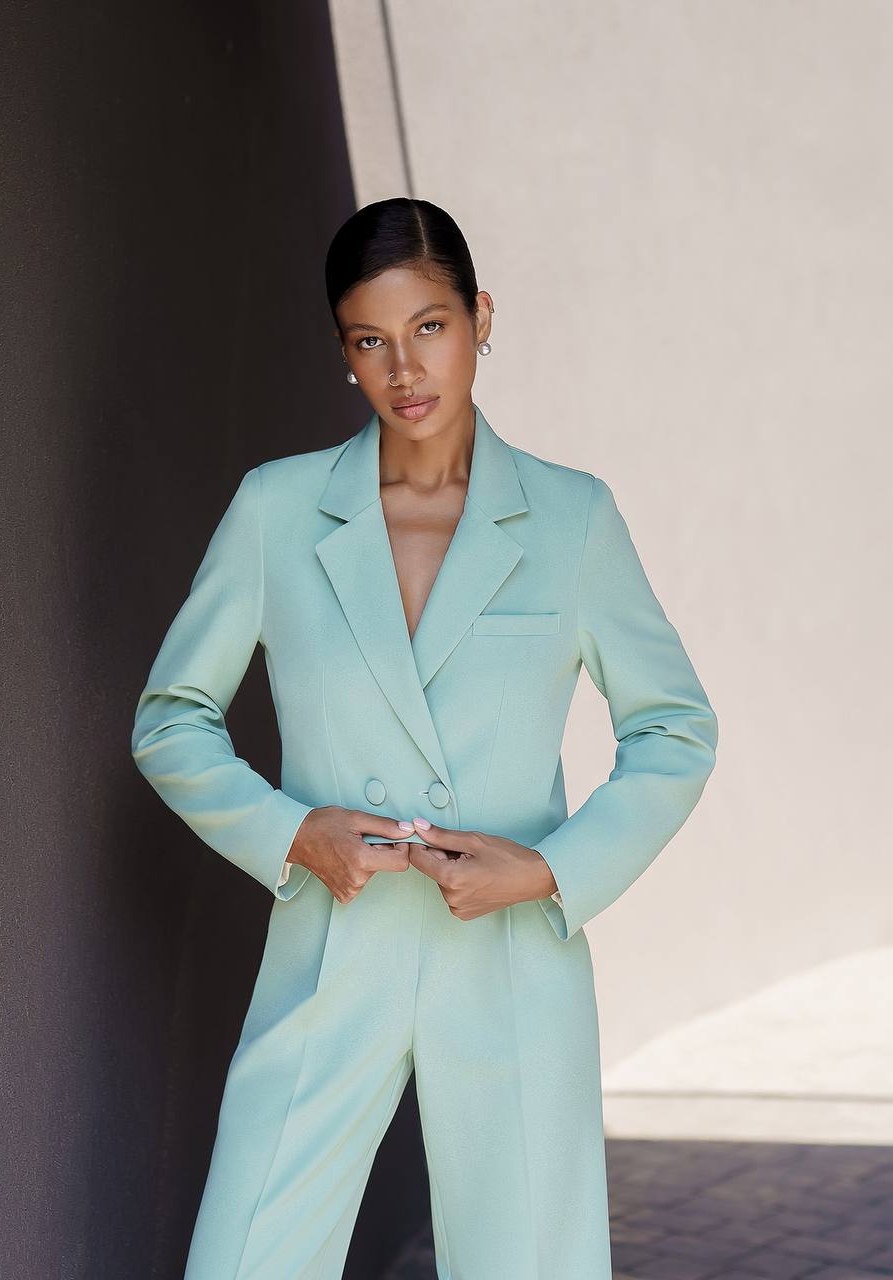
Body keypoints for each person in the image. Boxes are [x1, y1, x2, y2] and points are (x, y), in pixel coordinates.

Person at [130, 197, 719, 1279]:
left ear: (480, 315)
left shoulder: (570, 515)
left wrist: (550, 869)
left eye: (430, 327)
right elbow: (171, 718)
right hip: (329, 949)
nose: (404, 368)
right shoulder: (277, 508)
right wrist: (291, 829)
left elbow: (674, 727)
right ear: (344, 350)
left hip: (504, 955)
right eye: (371, 340)